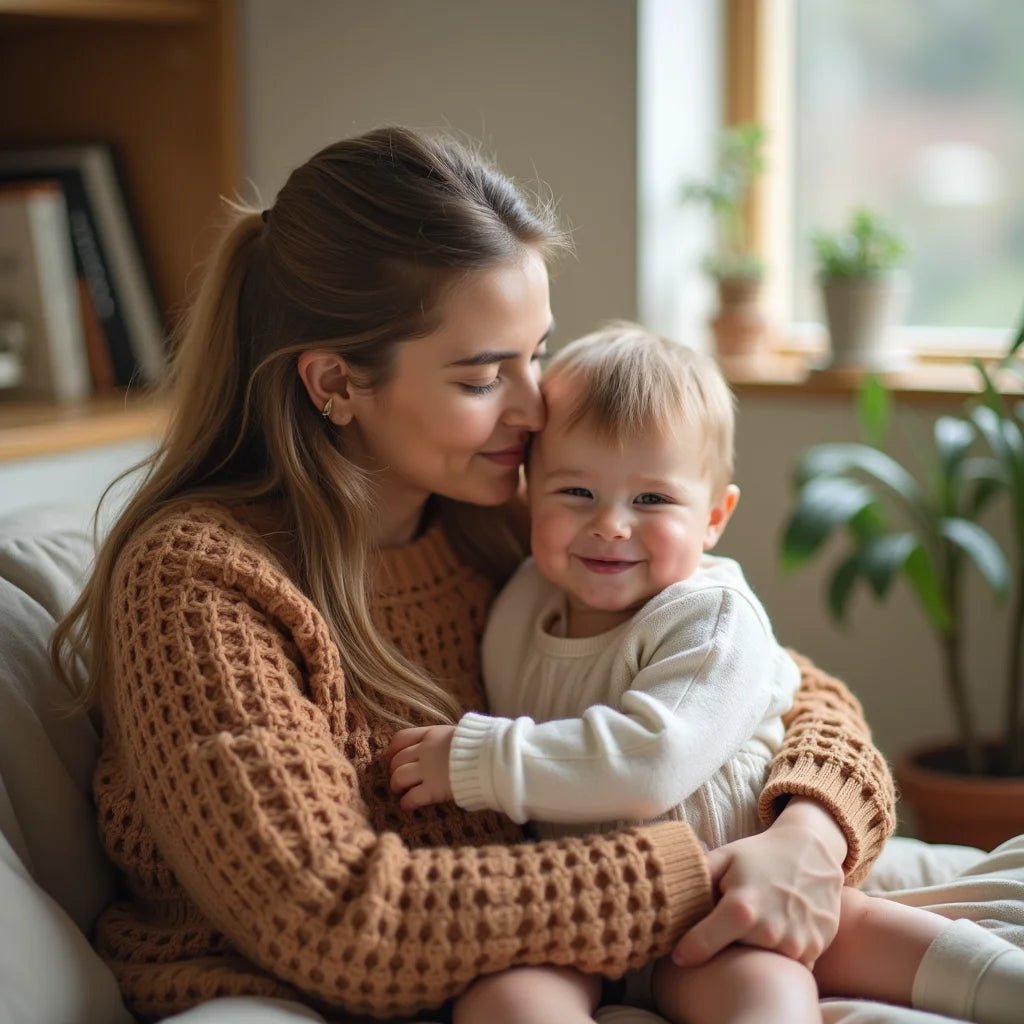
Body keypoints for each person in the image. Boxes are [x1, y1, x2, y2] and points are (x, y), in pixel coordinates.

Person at [53, 126, 897, 1024]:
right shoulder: (196, 583)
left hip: (545, 969)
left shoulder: (500, 519)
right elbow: (340, 919)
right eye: (484, 378)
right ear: (335, 383)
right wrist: (706, 869)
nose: (535, 406)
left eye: (537, 353)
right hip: (279, 995)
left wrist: (808, 826)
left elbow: (769, 678)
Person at [388, 323, 1024, 1024]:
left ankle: (1000, 981)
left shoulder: (712, 615)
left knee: (787, 979)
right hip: (580, 918)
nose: (610, 525)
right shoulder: (519, 602)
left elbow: (651, 760)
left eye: (652, 500)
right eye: (574, 491)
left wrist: (479, 759)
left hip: (732, 898)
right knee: (504, 1003)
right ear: (528, 492)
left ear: (716, 516)